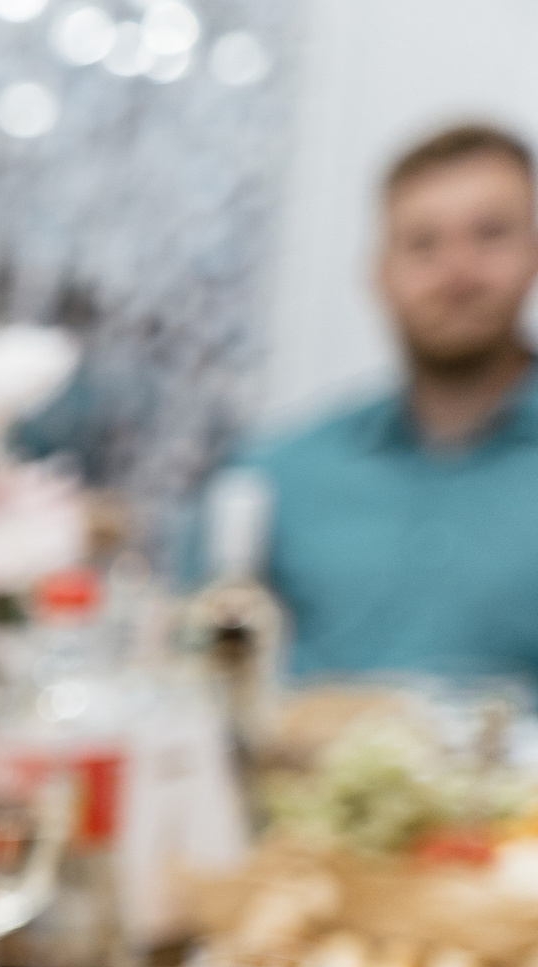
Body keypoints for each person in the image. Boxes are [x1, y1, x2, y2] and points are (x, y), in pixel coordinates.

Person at [225, 122, 538, 683]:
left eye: (490, 234)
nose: (457, 272)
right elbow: (190, 668)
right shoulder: (277, 478)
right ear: (380, 274)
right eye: (423, 243)